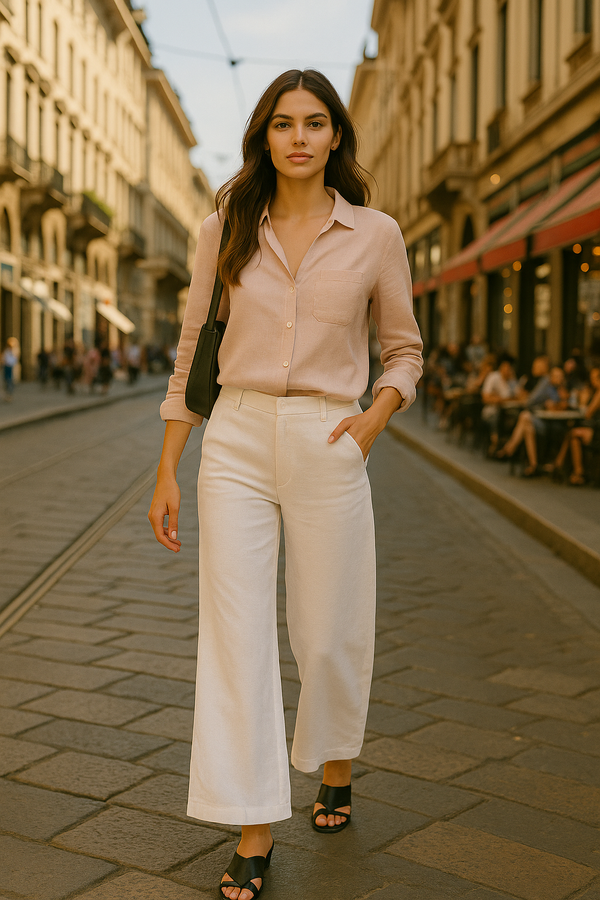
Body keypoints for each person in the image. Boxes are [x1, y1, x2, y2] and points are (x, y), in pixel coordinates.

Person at [148, 69, 423, 900]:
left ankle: (334, 763)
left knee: (329, 630)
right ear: (263, 136)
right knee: (234, 636)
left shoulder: (376, 233)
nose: (297, 137)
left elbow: (403, 348)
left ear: (335, 136)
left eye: (313, 123)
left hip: (327, 433)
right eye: (281, 123)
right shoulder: (224, 227)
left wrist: (375, 416)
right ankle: (253, 824)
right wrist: (169, 463)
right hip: (234, 435)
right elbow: (195, 347)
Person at [495, 365, 568, 476]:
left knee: (525, 417)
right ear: (551, 377)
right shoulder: (547, 388)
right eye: (556, 376)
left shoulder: (563, 389)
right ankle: (533, 464)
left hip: (556, 425)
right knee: (527, 425)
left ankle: (510, 448)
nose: (559, 378)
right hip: (545, 422)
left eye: (560, 376)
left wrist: (564, 398)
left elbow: (566, 405)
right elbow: (533, 402)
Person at [550, 367, 600, 485]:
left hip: (597, 431)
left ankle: (563, 466)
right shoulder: (594, 392)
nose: (592, 381)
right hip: (594, 428)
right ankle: (577, 472)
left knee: (572, 433)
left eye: (594, 378)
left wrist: (583, 401)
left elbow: (588, 414)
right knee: (573, 436)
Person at [480, 353, 525, 454]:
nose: (507, 370)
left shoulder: (512, 380)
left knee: (518, 418)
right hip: (492, 410)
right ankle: (495, 443)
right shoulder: (493, 377)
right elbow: (485, 397)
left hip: (508, 412)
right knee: (496, 417)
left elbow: (520, 396)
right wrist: (501, 399)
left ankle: (508, 446)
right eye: (505, 367)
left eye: (509, 368)